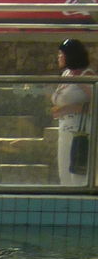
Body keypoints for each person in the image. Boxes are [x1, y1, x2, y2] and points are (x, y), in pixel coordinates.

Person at [49, 37, 96, 186]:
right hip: (65, 129)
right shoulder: (66, 75)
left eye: (61, 54)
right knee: (65, 175)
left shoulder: (86, 76)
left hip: (81, 131)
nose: (58, 57)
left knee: (79, 176)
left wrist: (71, 108)